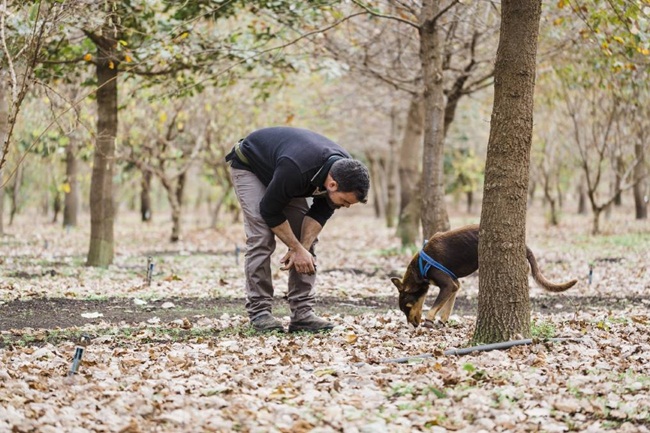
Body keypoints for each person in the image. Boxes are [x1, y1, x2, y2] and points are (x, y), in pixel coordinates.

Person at [225, 126, 370, 333]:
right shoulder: (297, 168)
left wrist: (301, 247)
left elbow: (319, 214)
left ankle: (303, 314)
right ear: (332, 184)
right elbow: (270, 210)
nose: (345, 206)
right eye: (346, 201)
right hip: (251, 166)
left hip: (283, 173)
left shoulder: (344, 168)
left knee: (308, 239)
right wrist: (295, 247)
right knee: (262, 237)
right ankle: (260, 312)